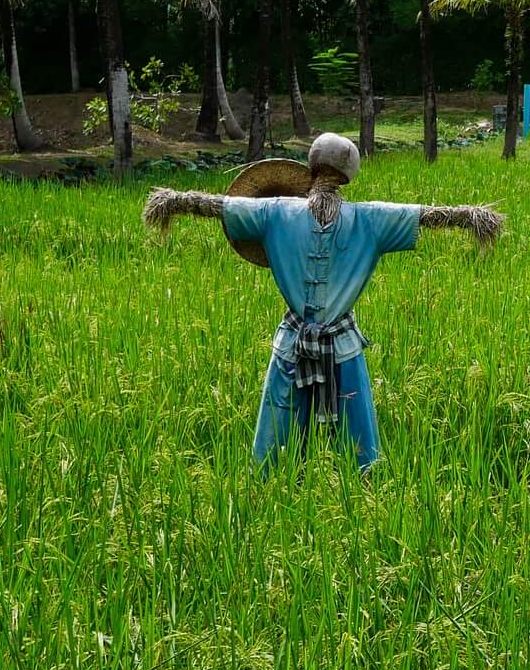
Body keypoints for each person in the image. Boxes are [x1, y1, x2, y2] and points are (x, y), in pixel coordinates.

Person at [143, 132, 502, 466]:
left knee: (276, 433)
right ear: (348, 174)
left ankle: (271, 480)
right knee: (358, 435)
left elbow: (216, 205)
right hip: (342, 343)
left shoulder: (275, 212)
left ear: (311, 167)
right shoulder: (370, 218)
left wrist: (173, 200)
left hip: (292, 341)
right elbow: (429, 215)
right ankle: (363, 483)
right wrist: (474, 216)